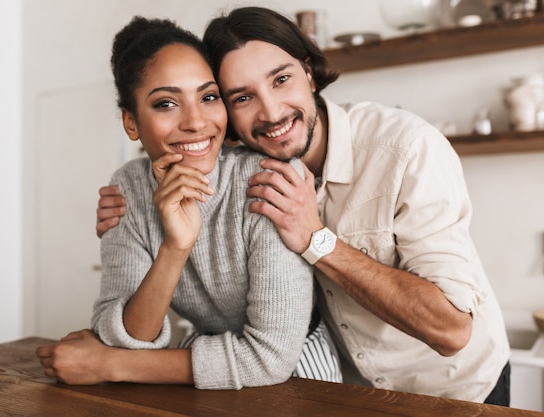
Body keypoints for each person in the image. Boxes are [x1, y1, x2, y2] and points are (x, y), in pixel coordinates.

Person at [95, 7, 510, 405]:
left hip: (458, 390)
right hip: (353, 390)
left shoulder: (405, 149)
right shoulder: (242, 167)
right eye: (241, 97)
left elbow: (452, 330)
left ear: (309, 74)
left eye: (281, 80)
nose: (271, 112)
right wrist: (138, 213)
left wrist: (316, 239)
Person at [37, 16, 341, 390]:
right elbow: (125, 336)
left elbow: (270, 359)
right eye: (166, 103)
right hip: (201, 367)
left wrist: (110, 365)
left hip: (300, 373)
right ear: (131, 123)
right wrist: (175, 247)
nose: (196, 122)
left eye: (209, 97)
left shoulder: (268, 177)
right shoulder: (129, 188)